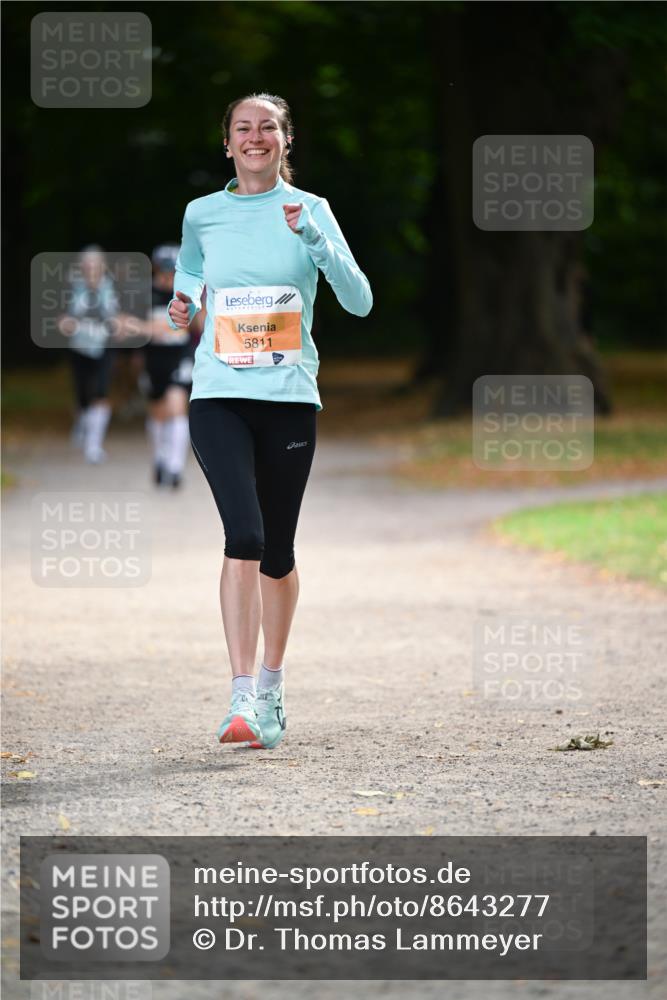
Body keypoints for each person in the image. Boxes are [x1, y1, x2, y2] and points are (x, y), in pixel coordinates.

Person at [168, 92, 372, 749]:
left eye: (267, 127)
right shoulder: (202, 212)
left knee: (278, 552)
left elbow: (360, 301)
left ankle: (271, 688)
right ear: (226, 142)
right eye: (242, 128)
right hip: (218, 394)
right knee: (245, 535)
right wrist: (183, 300)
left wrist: (313, 238)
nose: (254, 137)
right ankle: (239, 697)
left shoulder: (311, 210)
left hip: (288, 398)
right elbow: (191, 269)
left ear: (286, 140)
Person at [142, 245, 197, 488]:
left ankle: (175, 468)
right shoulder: (145, 294)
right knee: (158, 412)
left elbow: (192, 325)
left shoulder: (186, 293)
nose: (167, 276)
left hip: (179, 357)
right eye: (163, 270)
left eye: (172, 271)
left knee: (176, 405)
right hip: (153, 358)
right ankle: (160, 459)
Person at [59, 246, 118, 464]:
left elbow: (122, 315)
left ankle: (94, 445)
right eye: (87, 265)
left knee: (100, 391)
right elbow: (61, 316)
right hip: (79, 346)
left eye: (95, 265)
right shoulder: (72, 288)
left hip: (105, 345)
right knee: (82, 392)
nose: (91, 269)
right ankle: (82, 424)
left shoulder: (114, 288)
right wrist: (64, 323)